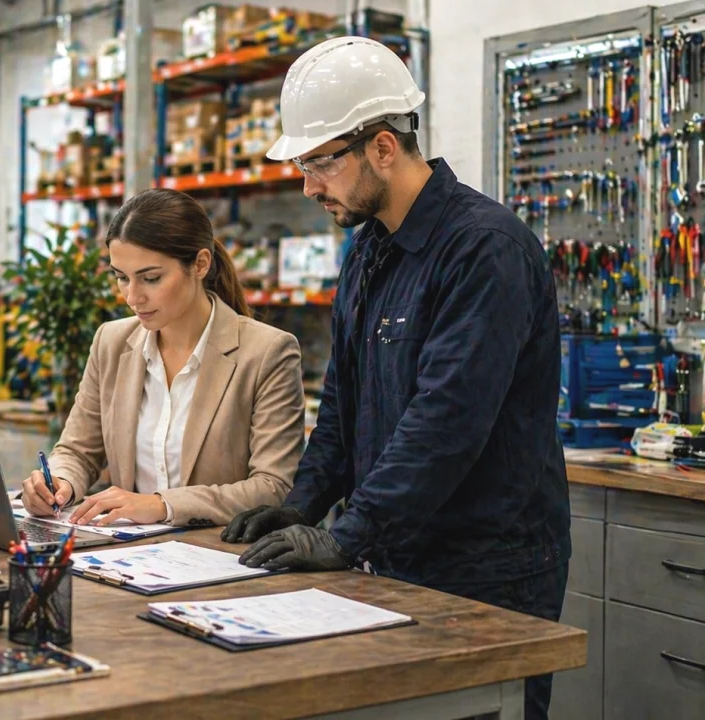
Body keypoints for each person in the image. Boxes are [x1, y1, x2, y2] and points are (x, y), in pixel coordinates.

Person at [220, 37, 570, 720]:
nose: (308, 186)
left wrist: (346, 534)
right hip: (396, 554)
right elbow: (343, 404)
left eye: (320, 163)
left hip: (486, 566)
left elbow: (447, 422)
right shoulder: (369, 249)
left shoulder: (484, 251)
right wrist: (304, 503)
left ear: (383, 147)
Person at [20, 188, 305, 527]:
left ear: (200, 264)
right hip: (127, 559)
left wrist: (162, 506)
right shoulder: (111, 342)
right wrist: (59, 483)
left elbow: (273, 488)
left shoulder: (267, 353)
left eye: (151, 278)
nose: (131, 297)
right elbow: (77, 451)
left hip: (222, 560)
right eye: (121, 277)